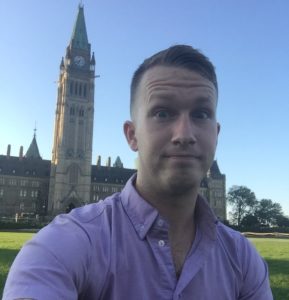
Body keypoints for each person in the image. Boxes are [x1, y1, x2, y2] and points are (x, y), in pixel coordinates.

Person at [3, 45, 273, 300]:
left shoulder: (243, 259)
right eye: (163, 113)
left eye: (201, 113)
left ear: (216, 134)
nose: (184, 134)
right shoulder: (61, 247)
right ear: (132, 135)